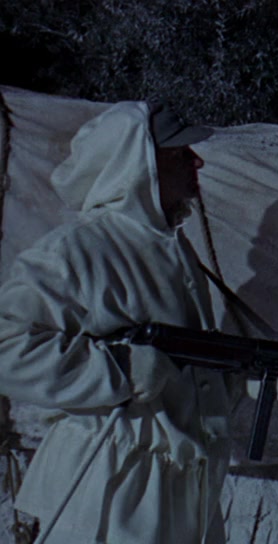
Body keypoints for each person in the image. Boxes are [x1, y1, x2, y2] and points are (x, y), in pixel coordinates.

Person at [0, 101, 238, 543]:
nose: (197, 162)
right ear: (138, 166)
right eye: (179, 154)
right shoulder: (78, 250)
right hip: (106, 495)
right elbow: (6, 346)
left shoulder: (175, 250)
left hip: (179, 496)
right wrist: (120, 369)